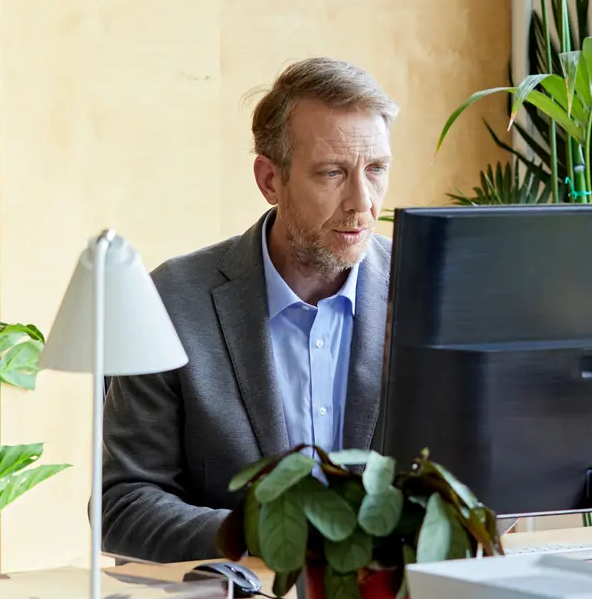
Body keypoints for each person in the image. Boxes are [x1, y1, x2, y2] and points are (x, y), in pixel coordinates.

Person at [102, 58, 397, 562]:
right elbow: (124, 507)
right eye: (332, 173)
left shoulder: (422, 292)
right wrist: (272, 534)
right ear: (269, 180)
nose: (362, 202)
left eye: (375, 170)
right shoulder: (172, 301)